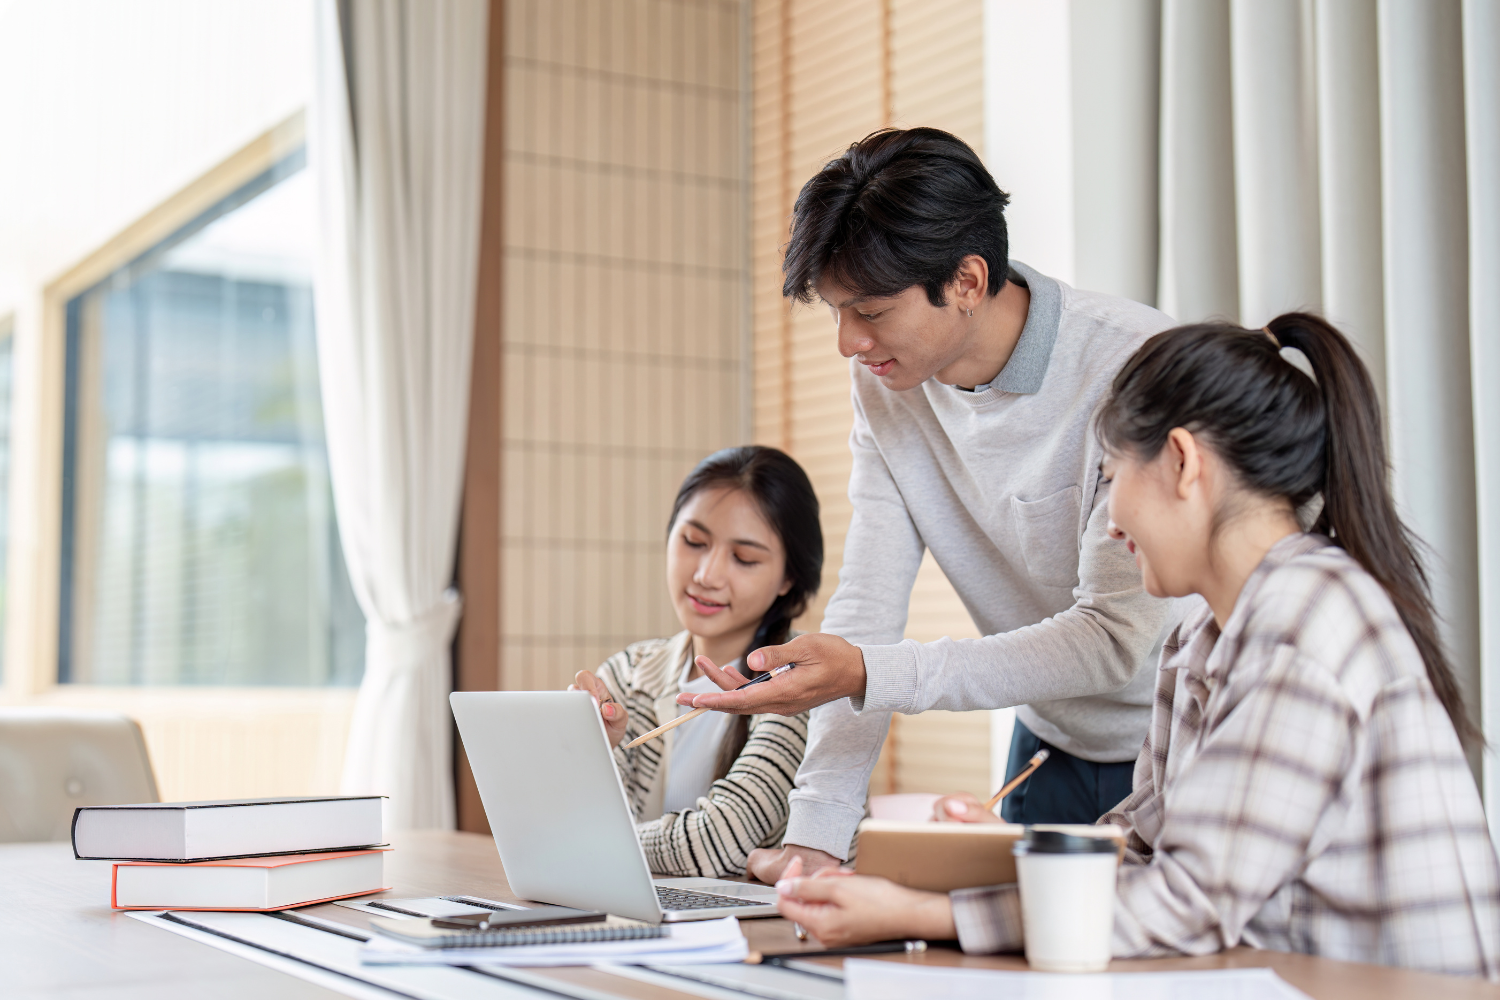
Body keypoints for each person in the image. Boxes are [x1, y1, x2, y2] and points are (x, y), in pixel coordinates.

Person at [770, 313, 1500, 978]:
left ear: (1182, 462)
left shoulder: (1306, 620)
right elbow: (1142, 844)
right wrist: (1010, 850)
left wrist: (921, 914)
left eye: (1112, 477)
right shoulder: (1204, 634)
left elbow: (1188, 902)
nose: (1110, 521)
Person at [680, 127, 1182, 882]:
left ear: (968, 281)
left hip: (1182, 741)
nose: (848, 341)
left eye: (871, 310)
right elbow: (867, 610)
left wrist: (872, 671)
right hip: (1050, 746)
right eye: (836, 311)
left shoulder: (1133, 367)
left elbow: (1113, 640)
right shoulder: (889, 384)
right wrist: (816, 834)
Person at [569, 446, 825, 878]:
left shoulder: (806, 681)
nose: (707, 574)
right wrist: (587, 756)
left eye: (744, 558)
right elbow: (571, 822)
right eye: (693, 542)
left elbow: (716, 846)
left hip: (779, 932)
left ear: (788, 577)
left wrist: (596, 843)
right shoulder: (629, 673)